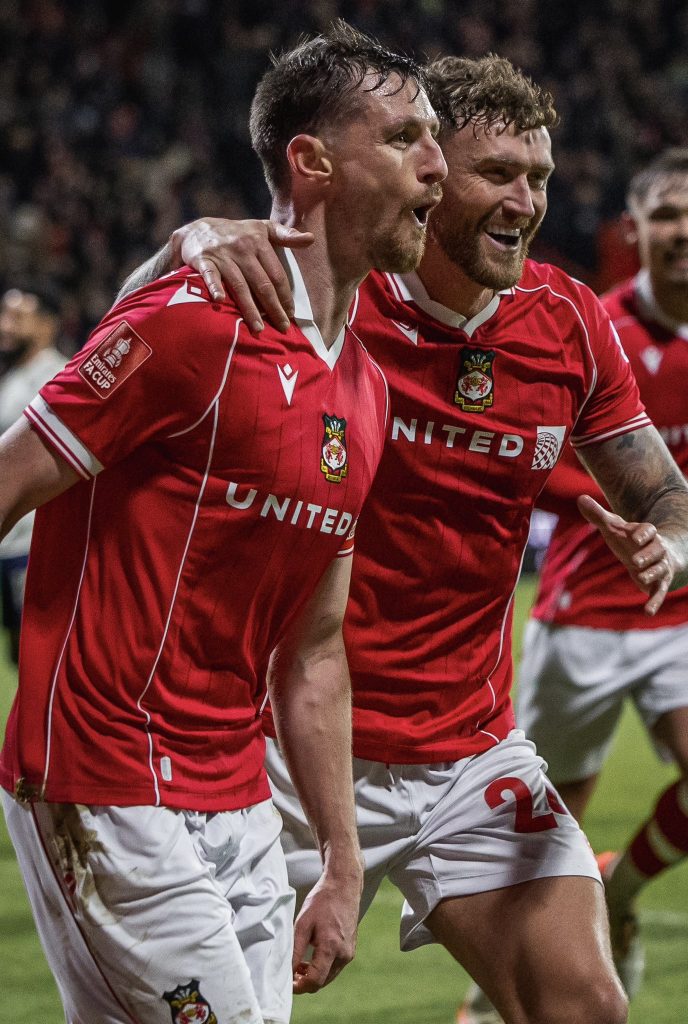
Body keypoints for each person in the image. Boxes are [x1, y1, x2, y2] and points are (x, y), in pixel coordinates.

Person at [125, 57, 688, 1024]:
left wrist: (667, 548)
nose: (525, 200)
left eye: (539, 177)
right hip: (280, 747)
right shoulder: (325, 291)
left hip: (465, 749)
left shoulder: (566, 322)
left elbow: (667, 496)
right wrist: (183, 244)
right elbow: (129, 343)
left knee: (584, 1010)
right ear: (428, 176)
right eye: (497, 175)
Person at [0, 22, 446, 1024]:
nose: (436, 164)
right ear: (312, 161)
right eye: (406, 137)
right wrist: (174, 249)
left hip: (238, 795)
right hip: (100, 780)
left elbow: (317, 652)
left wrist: (340, 856)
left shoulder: (367, 393)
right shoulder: (193, 322)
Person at [512, 148, 688, 998]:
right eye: (665, 217)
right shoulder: (590, 328)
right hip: (583, 608)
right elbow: (538, 453)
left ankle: (621, 891)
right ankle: (502, 988)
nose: (684, 233)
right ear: (634, 231)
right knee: (529, 834)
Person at [0, 288, 67, 663]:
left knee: (35, 658)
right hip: (10, 540)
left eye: (16, 318)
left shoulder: (56, 378)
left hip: (33, 546)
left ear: (46, 325)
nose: (4, 326)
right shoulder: (14, 378)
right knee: (16, 656)